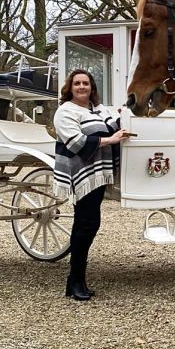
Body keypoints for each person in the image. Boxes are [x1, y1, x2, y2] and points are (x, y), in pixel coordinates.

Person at [53, 69, 132, 300]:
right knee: (86, 225)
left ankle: (76, 280)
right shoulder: (65, 111)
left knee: (86, 224)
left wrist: (126, 115)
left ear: (91, 87)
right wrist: (111, 140)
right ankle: (74, 280)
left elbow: (112, 124)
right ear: (70, 87)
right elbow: (76, 142)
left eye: (85, 83)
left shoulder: (98, 109)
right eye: (77, 83)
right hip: (83, 173)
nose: (81, 87)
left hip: (97, 173)